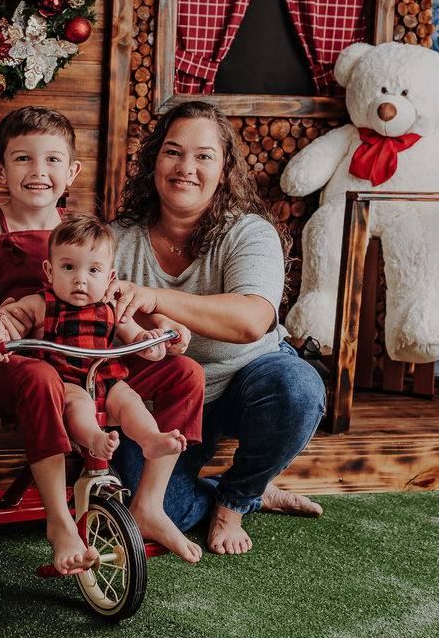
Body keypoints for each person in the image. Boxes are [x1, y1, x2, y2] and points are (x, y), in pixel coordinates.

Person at [0, 107, 204, 573]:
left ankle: (149, 503)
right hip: (10, 362)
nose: (38, 172)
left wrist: (161, 325)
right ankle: (59, 521)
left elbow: (114, 298)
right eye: (23, 159)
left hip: (88, 364)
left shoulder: (81, 230)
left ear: (72, 172)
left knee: (184, 372)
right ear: (1, 170)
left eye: (52, 160)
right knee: (42, 377)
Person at [107, 100, 327, 556]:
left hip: (247, 379)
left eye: (203, 156)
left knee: (298, 389)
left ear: (224, 171)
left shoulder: (249, 232)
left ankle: (235, 501)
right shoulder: (116, 239)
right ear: (153, 161)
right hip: (165, 400)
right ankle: (248, 490)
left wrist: (155, 297)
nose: (185, 167)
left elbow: (252, 321)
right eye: (173, 151)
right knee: (155, 510)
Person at [0, 214, 197, 558]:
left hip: (106, 377)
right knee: (78, 403)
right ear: (49, 272)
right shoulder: (40, 303)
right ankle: (93, 440)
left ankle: (150, 439)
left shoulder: (110, 308)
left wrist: (151, 343)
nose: (80, 279)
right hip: (64, 381)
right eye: (68, 268)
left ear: (109, 278)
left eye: (93, 271)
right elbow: (10, 319)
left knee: (129, 400)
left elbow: (137, 339)